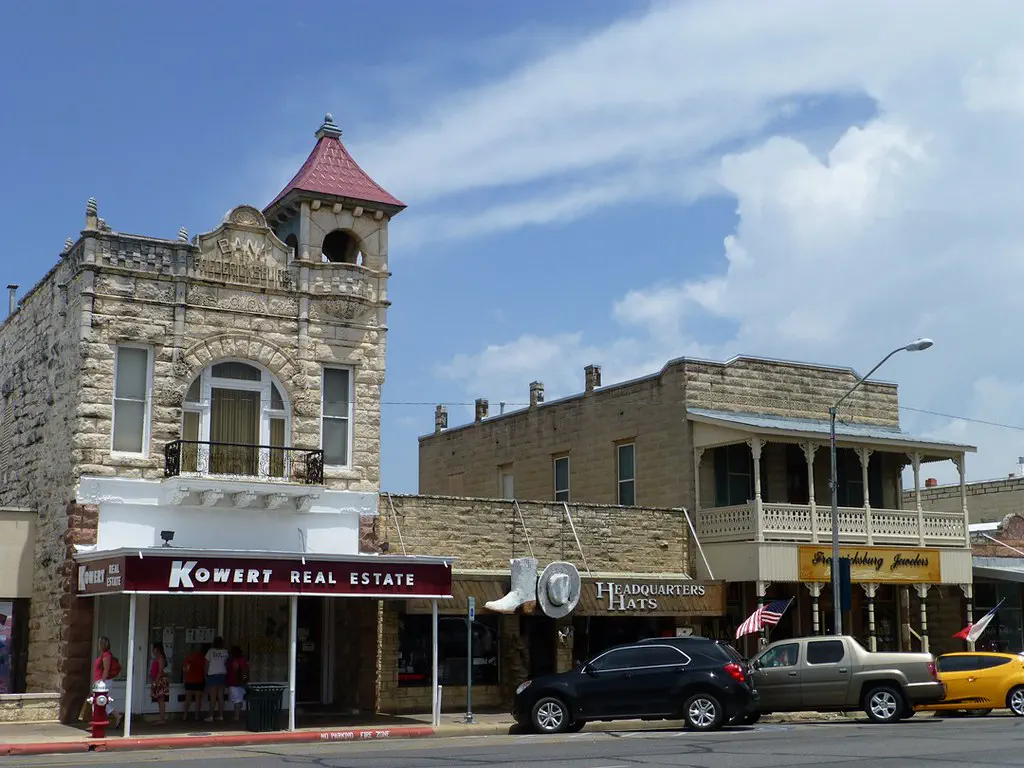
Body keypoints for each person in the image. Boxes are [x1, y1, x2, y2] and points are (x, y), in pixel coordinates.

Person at [92, 636, 121, 728]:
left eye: (99, 643)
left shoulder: (106, 655)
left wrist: (101, 682)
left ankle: (116, 716)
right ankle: (98, 722)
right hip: (99, 681)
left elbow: (106, 669)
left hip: (104, 682)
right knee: (98, 702)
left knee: (100, 701)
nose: (98, 645)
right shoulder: (103, 654)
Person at [205, 636, 230, 721]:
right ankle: (221, 715)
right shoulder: (225, 652)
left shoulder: (210, 652)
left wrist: (205, 674)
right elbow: (227, 663)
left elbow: (206, 664)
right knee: (220, 696)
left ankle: (211, 716)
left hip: (213, 675)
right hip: (222, 675)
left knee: (212, 697)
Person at [181, 644, 207, 721]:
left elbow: (185, 669)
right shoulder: (203, 658)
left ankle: (185, 715)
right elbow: (205, 669)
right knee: (198, 699)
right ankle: (196, 716)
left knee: (187, 699)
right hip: (199, 680)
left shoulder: (189, 658)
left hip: (189, 680)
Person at [226, 646, 249, 721]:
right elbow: (246, 670)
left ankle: (236, 716)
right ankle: (238, 714)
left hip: (233, 682)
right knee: (240, 699)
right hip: (242, 682)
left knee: (237, 700)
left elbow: (226, 668)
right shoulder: (243, 660)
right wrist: (245, 679)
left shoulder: (230, 661)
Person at [149, 642, 169, 725]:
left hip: (160, 680)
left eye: (154, 648)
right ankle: (161, 718)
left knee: (161, 700)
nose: (153, 650)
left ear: (158, 649)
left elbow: (160, 671)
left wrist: (156, 682)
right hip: (156, 680)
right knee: (159, 700)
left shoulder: (160, 658)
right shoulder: (156, 658)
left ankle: (162, 719)